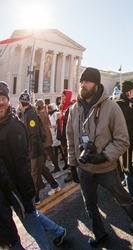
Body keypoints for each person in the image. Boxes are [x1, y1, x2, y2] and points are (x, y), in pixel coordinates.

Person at [66, 67, 133, 247]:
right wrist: (72, 164)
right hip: (84, 168)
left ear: (97, 84)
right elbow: (70, 138)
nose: (83, 85)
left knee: (122, 199)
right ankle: (99, 233)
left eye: (87, 81)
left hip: (106, 168)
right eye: (81, 81)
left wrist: (104, 156)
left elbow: (123, 140)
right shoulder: (74, 109)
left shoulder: (112, 107)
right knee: (90, 205)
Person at [0, 81, 66, 249]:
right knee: (32, 216)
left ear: (9, 101)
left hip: (17, 190)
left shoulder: (16, 126)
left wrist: (28, 195)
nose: (0, 102)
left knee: (31, 225)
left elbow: (23, 164)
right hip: (5, 189)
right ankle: (58, 231)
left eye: (3, 98)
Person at [18, 90, 61, 203]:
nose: (18, 105)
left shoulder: (30, 114)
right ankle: (55, 185)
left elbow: (34, 134)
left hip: (35, 150)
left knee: (35, 174)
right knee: (42, 169)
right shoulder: (27, 113)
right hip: (35, 149)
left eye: (19, 103)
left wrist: (33, 150)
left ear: (22, 103)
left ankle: (35, 198)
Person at [115, 80, 133, 203]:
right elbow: (128, 116)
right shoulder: (119, 104)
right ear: (128, 93)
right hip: (127, 141)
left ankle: (130, 184)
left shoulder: (132, 102)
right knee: (129, 168)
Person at [58, 89, 79, 183]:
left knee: (69, 155)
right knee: (66, 155)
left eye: (63, 96)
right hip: (63, 136)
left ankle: (72, 173)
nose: (61, 98)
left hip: (68, 137)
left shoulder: (71, 107)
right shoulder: (63, 107)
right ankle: (71, 170)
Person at [35, 99, 60, 173]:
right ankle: (51, 167)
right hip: (47, 134)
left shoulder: (41, 114)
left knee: (49, 152)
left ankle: (55, 167)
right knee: (48, 152)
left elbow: (39, 125)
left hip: (44, 135)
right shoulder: (45, 112)